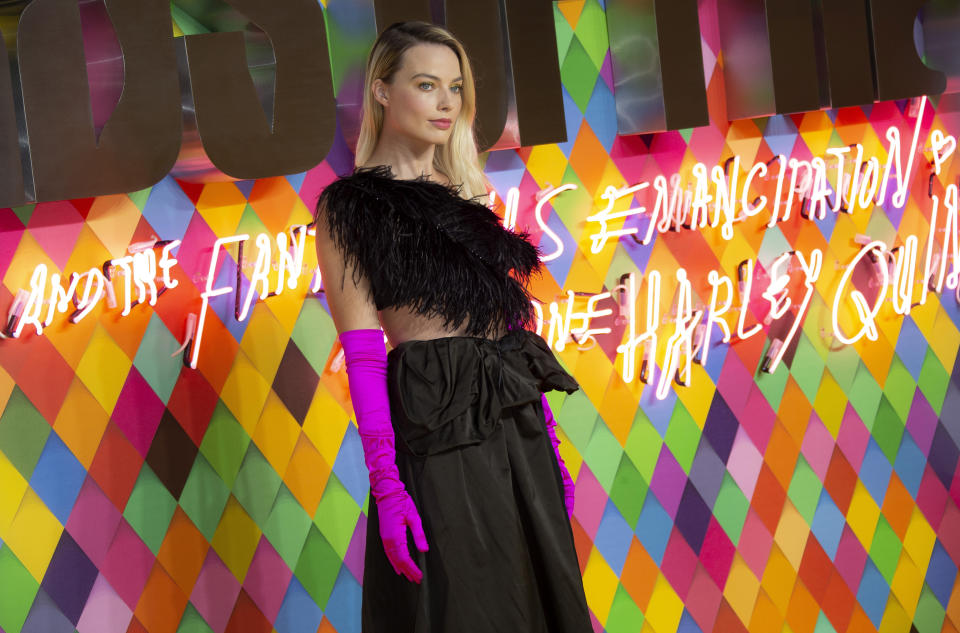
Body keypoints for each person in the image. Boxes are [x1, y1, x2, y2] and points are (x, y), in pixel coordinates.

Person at [313, 21, 593, 633]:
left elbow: (505, 337)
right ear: (383, 91)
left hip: (515, 433)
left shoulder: (469, 197)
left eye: (456, 88)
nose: (447, 103)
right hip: (437, 428)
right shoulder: (349, 207)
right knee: (469, 611)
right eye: (426, 84)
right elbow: (363, 357)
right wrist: (387, 487)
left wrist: (545, 438)